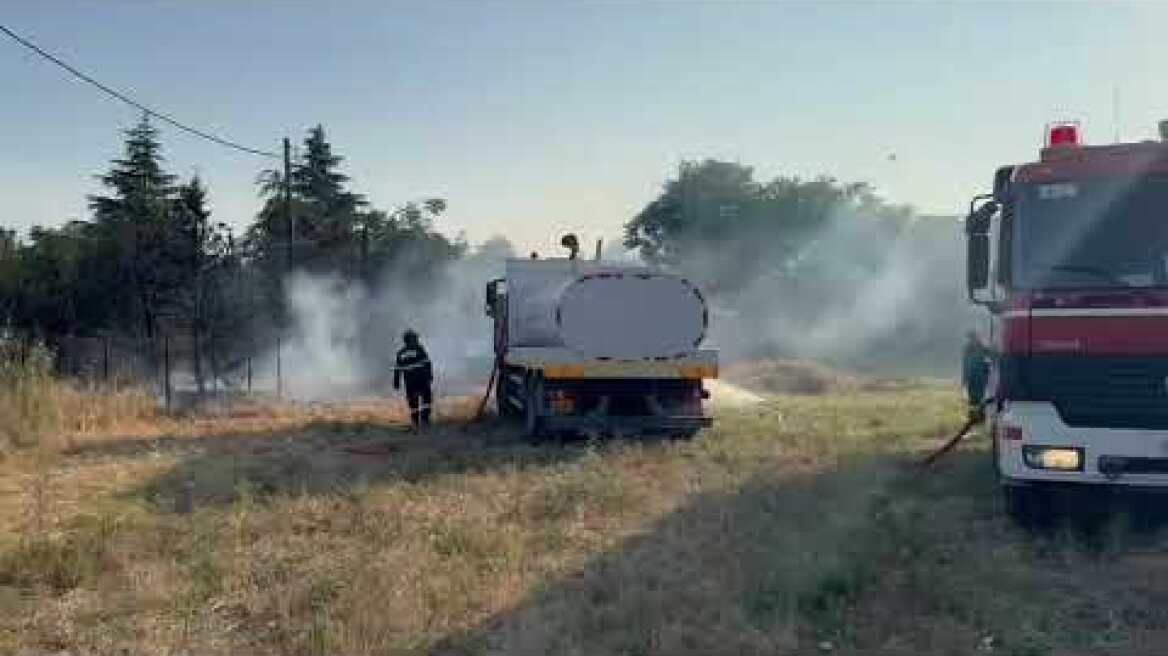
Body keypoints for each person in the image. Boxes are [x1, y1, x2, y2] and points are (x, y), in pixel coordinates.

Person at [394, 329, 433, 430]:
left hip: (410, 382)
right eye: (415, 338)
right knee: (426, 400)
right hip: (422, 380)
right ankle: (425, 420)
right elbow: (427, 363)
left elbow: (398, 370)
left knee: (413, 402)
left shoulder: (401, 353)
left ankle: (416, 421)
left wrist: (396, 382)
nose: (417, 340)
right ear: (411, 340)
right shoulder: (420, 349)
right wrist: (430, 376)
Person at [961, 330, 991, 410]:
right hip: (972, 377)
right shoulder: (967, 349)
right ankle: (973, 414)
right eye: (970, 338)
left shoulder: (984, 348)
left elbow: (989, 360)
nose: (971, 340)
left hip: (981, 377)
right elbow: (965, 364)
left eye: (972, 338)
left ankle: (980, 413)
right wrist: (964, 379)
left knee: (980, 396)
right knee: (972, 397)